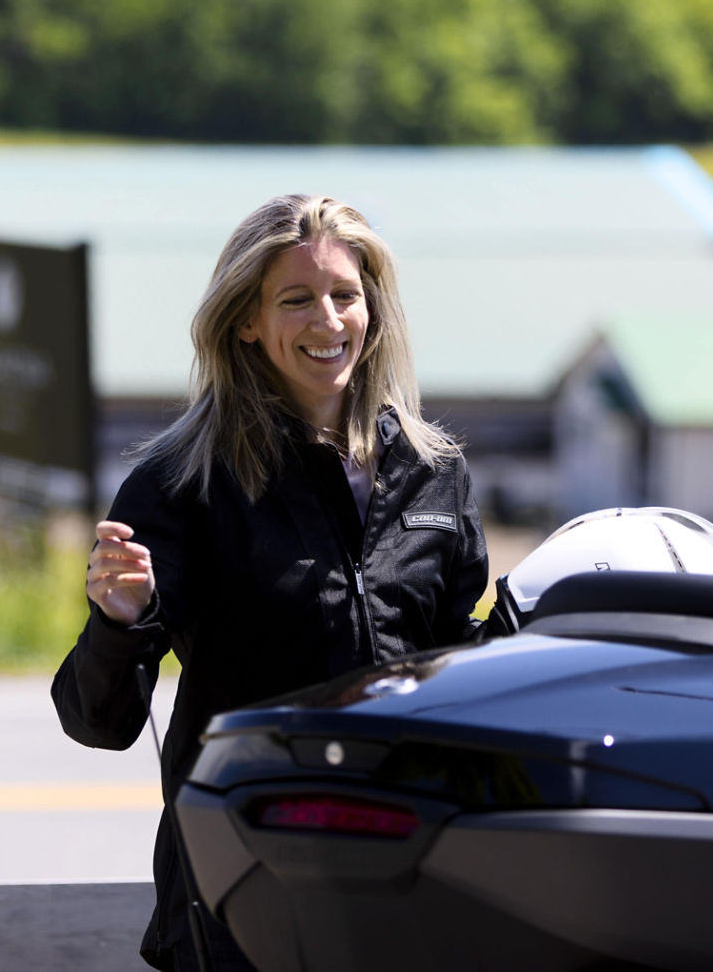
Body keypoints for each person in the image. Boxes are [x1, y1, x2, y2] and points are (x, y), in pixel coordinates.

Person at [52, 194, 491, 971]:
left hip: (412, 883)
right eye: (297, 299)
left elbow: (461, 679)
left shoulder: (436, 472)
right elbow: (100, 720)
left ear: (373, 309)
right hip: (244, 894)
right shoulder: (181, 482)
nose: (328, 320)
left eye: (345, 295)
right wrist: (119, 621)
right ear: (246, 321)